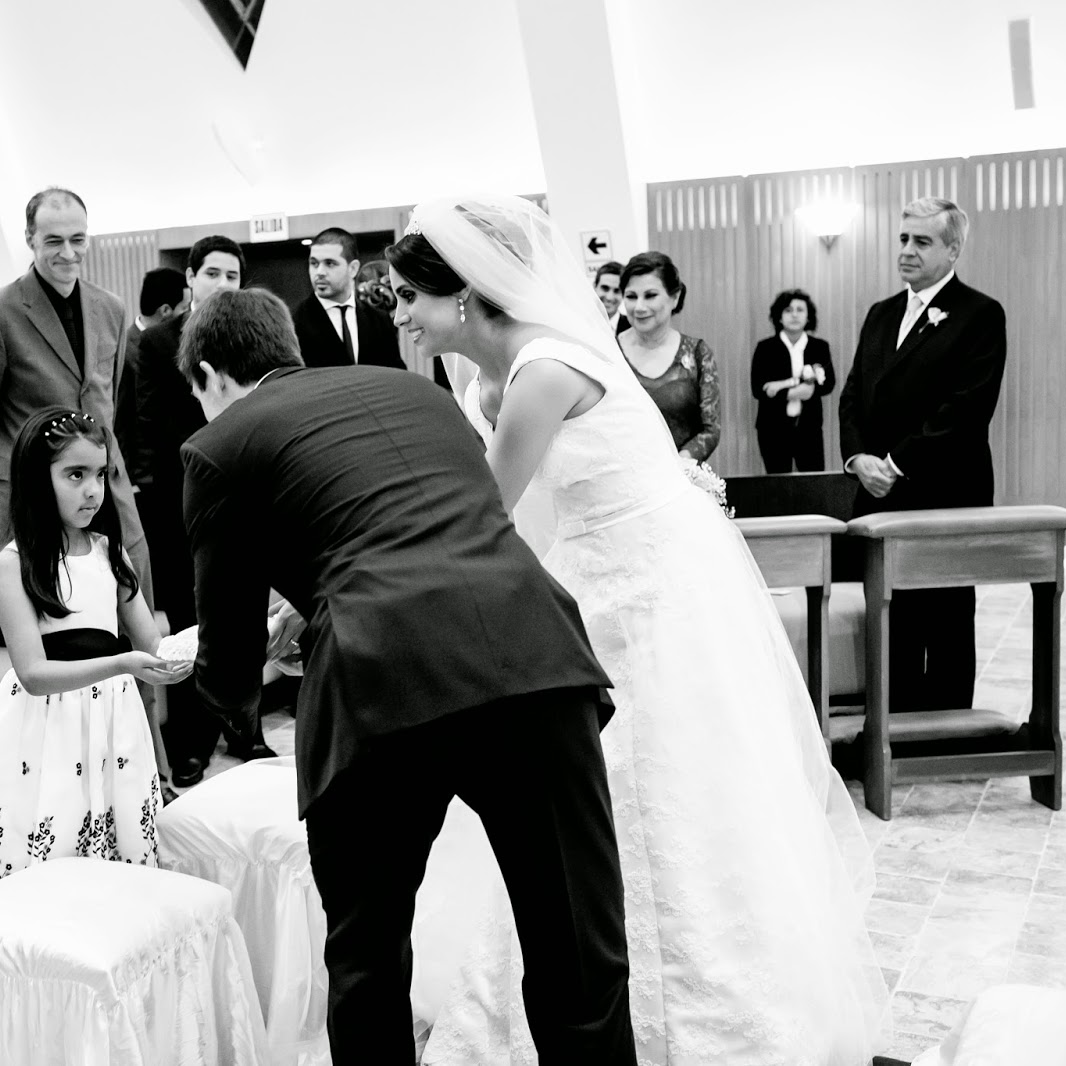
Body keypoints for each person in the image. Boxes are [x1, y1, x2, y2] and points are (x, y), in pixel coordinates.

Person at [386, 195, 888, 1066]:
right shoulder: (481, 375)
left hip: (655, 594)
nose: (398, 313)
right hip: (594, 578)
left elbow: (479, 516)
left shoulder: (545, 366)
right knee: (590, 804)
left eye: (408, 297)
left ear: (462, 294)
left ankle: (705, 1018)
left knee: (672, 791)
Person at [180, 287, 634, 1065]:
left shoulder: (220, 446)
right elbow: (431, 519)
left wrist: (232, 689)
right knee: (578, 945)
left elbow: (226, 655)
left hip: (381, 682)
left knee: (369, 957)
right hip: (532, 653)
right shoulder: (412, 389)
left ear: (212, 374)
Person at [0, 407, 185, 914]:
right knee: (54, 846)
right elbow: (33, 675)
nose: (92, 490)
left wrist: (211, 646)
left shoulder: (110, 553)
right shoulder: (15, 563)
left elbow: (156, 649)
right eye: (75, 475)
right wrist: (121, 666)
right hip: (47, 728)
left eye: (100, 474)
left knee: (119, 862)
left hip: (113, 725)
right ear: (37, 477)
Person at [839, 196, 1006, 714]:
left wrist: (894, 463)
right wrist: (859, 459)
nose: (907, 250)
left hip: (945, 492)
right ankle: (895, 725)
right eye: (904, 239)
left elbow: (966, 409)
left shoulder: (979, 314)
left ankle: (948, 730)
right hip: (877, 496)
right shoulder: (881, 313)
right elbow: (851, 398)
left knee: (947, 616)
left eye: (922, 241)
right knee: (892, 619)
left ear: (953, 250)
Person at [0, 187, 150, 598]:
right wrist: (12, 478)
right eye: (53, 241)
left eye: (77, 239)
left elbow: (106, 398)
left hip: (106, 489)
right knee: (51, 630)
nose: (68, 253)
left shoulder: (111, 308)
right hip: (34, 500)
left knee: (130, 611)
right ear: (30, 239)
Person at [134, 235, 274, 786]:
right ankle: (190, 742)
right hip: (181, 497)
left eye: (232, 276)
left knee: (246, 610)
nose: (222, 285)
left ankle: (246, 729)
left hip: (244, 492)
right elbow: (148, 426)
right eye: (211, 274)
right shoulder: (159, 342)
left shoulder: (253, 338)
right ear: (189, 279)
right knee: (192, 619)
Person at [617, 252, 721, 461]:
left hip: (682, 478)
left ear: (675, 297)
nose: (639, 307)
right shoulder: (609, 351)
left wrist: (679, 467)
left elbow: (710, 429)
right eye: (631, 296)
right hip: (622, 481)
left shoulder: (697, 353)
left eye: (650, 295)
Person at [291, 227, 404, 369]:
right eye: (314, 263)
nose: (319, 272)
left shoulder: (379, 320)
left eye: (330, 263)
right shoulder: (294, 323)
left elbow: (395, 373)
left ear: (353, 269)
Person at [117, 267, 188, 489]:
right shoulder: (126, 352)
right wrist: (133, 479)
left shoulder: (167, 346)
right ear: (166, 310)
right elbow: (124, 421)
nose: (188, 314)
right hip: (143, 478)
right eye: (184, 308)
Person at [752, 289, 835, 473]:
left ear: (808, 317)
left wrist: (784, 388)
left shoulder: (819, 347)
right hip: (772, 429)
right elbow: (758, 388)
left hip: (809, 428)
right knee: (777, 486)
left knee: (813, 483)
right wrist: (793, 392)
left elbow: (828, 383)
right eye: (788, 310)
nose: (794, 314)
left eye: (800, 310)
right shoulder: (765, 348)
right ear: (779, 317)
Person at [594, 260, 629, 333]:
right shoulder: (580, 323)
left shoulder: (633, 327)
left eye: (617, 291)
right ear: (594, 287)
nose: (609, 297)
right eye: (605, 288)